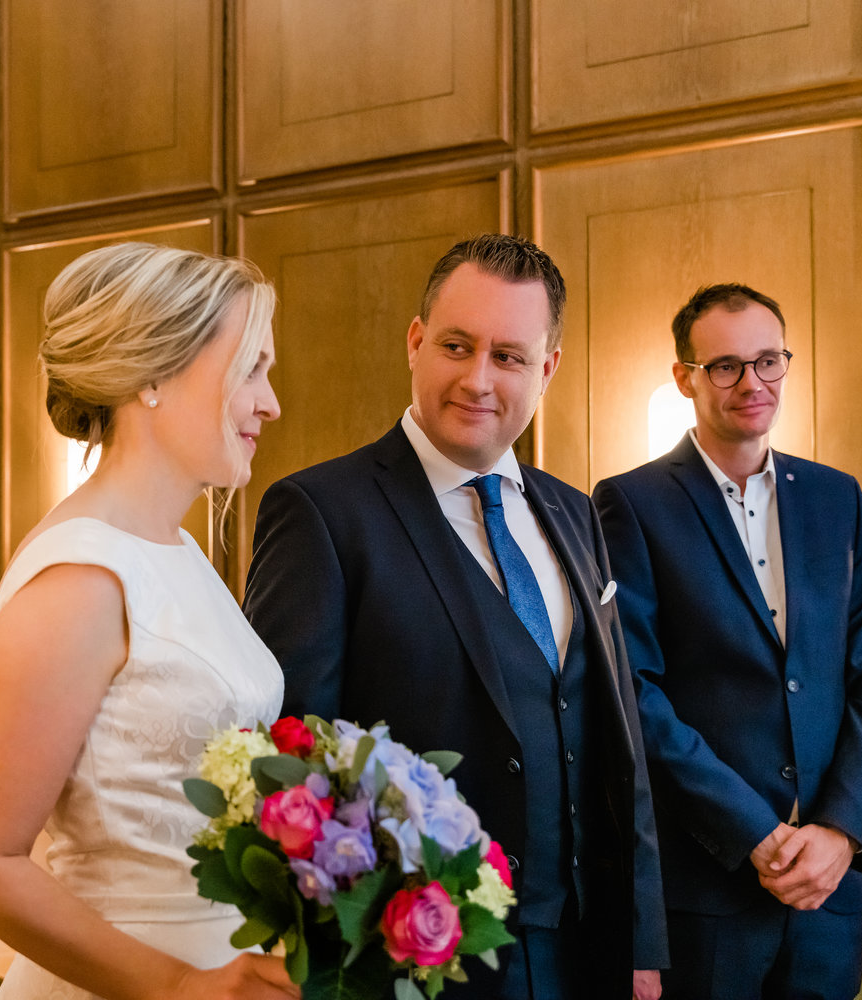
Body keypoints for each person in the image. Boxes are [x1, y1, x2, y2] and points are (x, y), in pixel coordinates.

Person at [243, 234, 668, 1000]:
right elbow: (291, 764)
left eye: (508, 356)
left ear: (548, 369)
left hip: (589, 954)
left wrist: (643, 941)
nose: (477, 379)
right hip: (418, 969)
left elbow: (621, 741)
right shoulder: (321, 512)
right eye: (455, 345)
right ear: (415, 342)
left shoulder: (577, 513)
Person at [0, 242, 295, 1000]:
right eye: (252, 368)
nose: (270, 402)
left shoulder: (179, 552)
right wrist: (176, 985)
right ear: (155, 375)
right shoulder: (81, 577)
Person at [591, 284, 862, 1000]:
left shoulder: (838, 497)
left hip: (829, 892)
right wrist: (755, 832)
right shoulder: (629, 503)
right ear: (685, 378)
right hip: (710, 887)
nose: (751, 383)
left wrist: (841, 832)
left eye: (768, 361)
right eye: (725, 366)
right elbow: (635, 690)